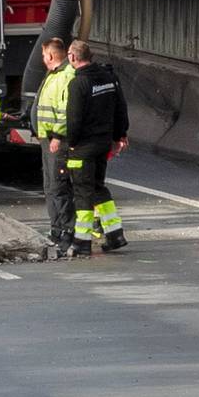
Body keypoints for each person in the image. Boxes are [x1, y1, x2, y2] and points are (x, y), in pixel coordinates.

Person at [62, 40, 131, 252]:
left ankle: (82, 241)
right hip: (103, 144)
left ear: (73, 57)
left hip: (83, 146)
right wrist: (120, 135)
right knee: (98, 187)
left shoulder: (78, 83)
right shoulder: (109, 78)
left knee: (83, 190)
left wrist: (71, 143)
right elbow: (121, 108)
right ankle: (115, 234)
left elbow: (74, 119)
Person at [32, 38, 78, 255]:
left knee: (59, 187)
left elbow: (65, 111)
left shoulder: (66, 76)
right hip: (47, 139)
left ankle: (67, 229)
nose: (42, 60)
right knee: (51, 187)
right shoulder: (54, 75)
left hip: (56, 141)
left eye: (43, 56)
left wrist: (58, 136)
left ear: (50, 56)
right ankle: (56, 229)